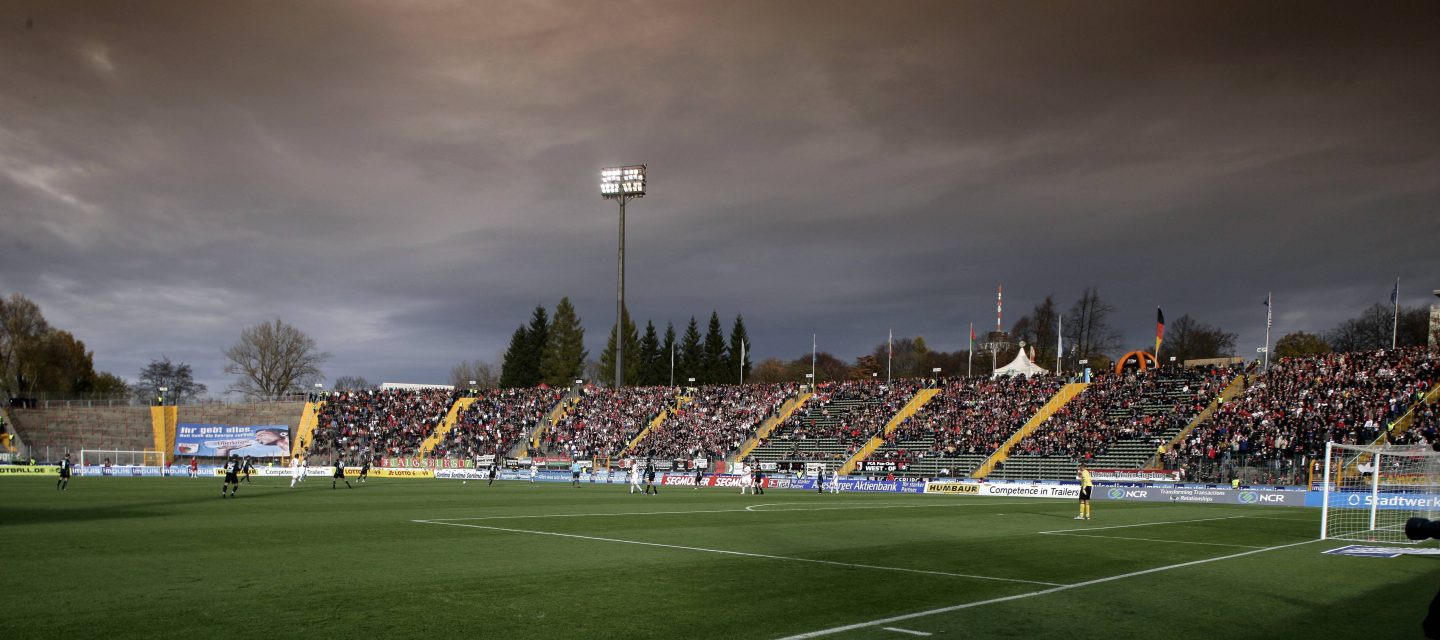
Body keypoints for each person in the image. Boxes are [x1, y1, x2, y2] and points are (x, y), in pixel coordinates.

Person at [218, 428, 290, 458]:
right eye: (256, 438)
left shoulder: (286, 452)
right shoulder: (280, 454)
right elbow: (222, 460)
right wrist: (224, 450)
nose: (257, 439)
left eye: (260, 435)